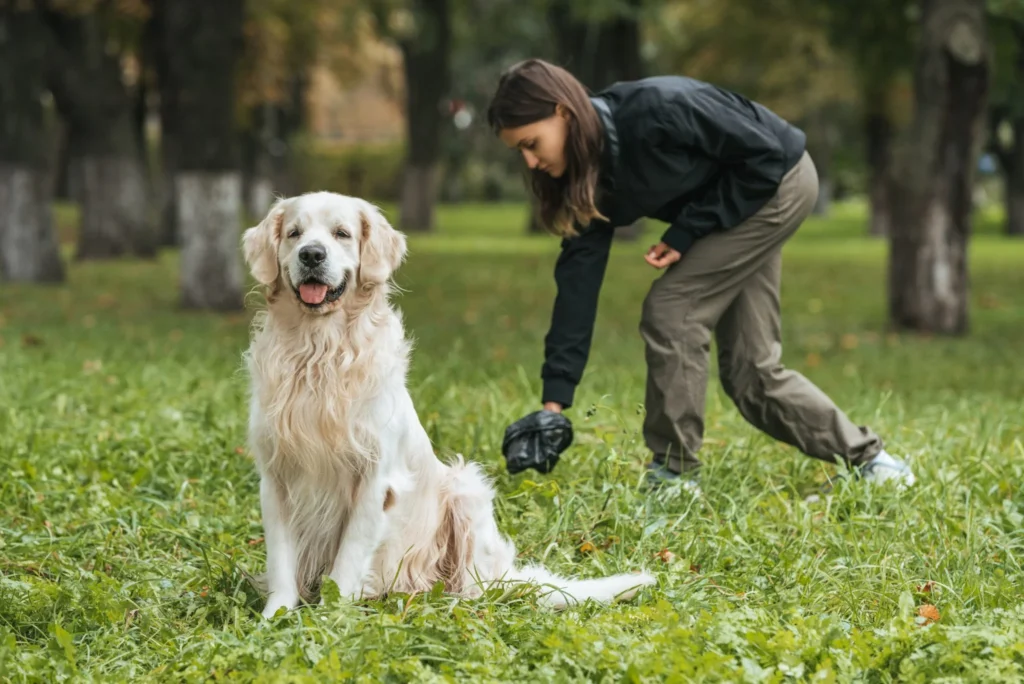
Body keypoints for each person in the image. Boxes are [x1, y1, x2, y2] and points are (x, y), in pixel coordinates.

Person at [486, 58, 915, 493]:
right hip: (738, 201)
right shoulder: (587, 176)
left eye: (532, 143)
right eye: (519, 151)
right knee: (752, 372)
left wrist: (687, 231)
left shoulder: (659, 110)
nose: (530, 160)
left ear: (563, 113)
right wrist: (553, 406)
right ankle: (876, 464)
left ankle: (673, 476)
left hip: (777, 182)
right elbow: (577, 286)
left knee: (672, 310)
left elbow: (764, 156)